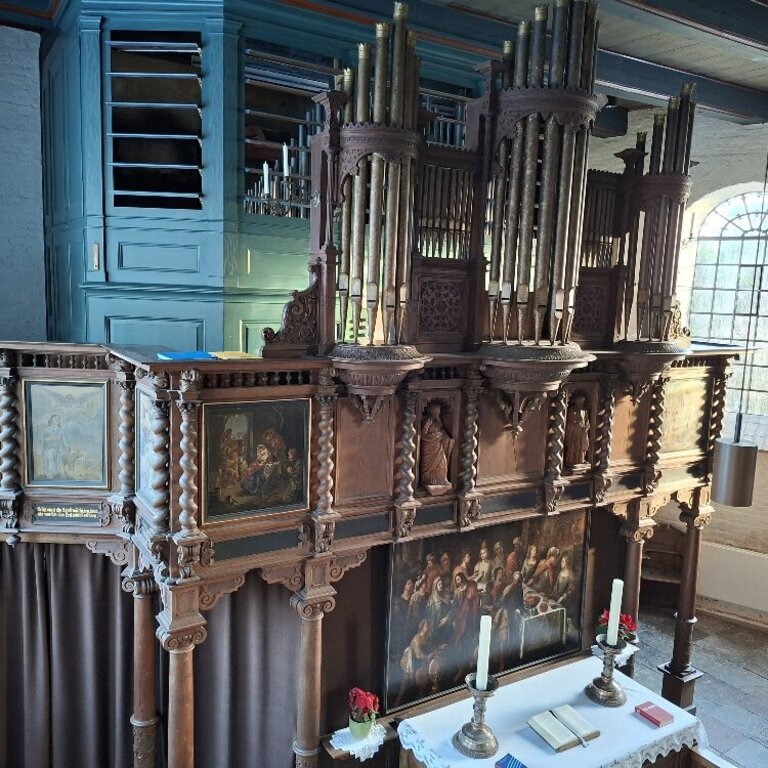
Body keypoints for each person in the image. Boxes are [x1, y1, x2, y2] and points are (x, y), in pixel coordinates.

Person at [419, 402, 454, 494]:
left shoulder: (438, 421)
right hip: (429, 446)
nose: (439, 412)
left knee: (443, 462)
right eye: (437, 410)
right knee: (430, 466)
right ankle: (428, 480)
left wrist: (447, 438)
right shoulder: (428, 420)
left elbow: (441, 431)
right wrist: (434, 436)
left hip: (438, 446)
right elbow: (423, 434)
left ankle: (441, 479)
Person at [564, 393, 590, 466]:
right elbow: (570, 420)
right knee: (574, 444)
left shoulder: (584, 410)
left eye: (582, 402)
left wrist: (586, 425)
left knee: (582, 444)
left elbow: (586, 419)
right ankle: (571, 460)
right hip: (575, 429)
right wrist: (577, 423)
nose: (581, 404)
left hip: (582, 430)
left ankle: (581, 459)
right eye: (579, 402)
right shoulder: (572, 410)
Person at [40, 413, 65, 479]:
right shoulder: (47, 430)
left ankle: (56, 476)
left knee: (57, 463)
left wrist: (63, 450)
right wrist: (51, 439)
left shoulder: (60, 431)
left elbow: (63, 441)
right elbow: (42, 440)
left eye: (58, 419)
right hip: (49, 449)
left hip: (58, 450)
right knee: (50, 463)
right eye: (55, 419)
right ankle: (49, 477)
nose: (57, 420)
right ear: (51, 420)